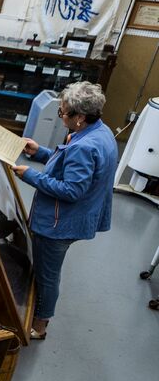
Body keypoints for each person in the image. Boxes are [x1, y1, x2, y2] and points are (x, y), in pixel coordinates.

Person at [11, 81, 117, 340]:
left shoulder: (84, 146)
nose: (61, 115)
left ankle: (39, 325)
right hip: (77, 217)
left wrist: (30, 176)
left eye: (63, 112)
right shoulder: (100, 133)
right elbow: (68, 164)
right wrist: (40, 153)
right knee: (48, 270)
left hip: (59, 223)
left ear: (80, 117)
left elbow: (72, 190)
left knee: (48, 275)